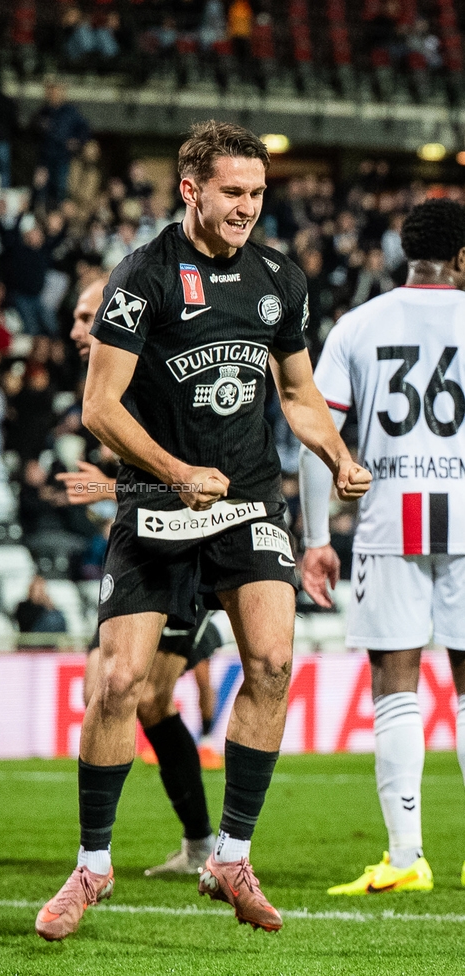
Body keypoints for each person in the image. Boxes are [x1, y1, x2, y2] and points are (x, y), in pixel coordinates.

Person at [35, 120, 371, 941]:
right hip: (158, 503)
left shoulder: (277, 279)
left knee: (273, 659)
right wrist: (177, 473)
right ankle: (92, 867)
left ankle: (230, 855)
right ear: (191, 190)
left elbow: (296, 393)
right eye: (233, 192)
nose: (247, 207)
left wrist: (333, 450)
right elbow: (99, 406)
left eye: (257, 193)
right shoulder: (140, 277)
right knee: (118, 683)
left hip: (250, 499)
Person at [299, 198, 465, 895]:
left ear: (404, 254)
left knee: (395, 685)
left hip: (390, 518)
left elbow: (315, 435)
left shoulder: (358, 326)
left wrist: (315, 539)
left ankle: (404, 857)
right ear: (462, 258)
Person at [59, 278, 222, 875]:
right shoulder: (115, 374)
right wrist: (107, 489)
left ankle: (204, 846)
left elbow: (187, 472)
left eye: (86, 316)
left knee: (145, 695)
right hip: (144, 549)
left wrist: (103, 488)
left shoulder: (156, 364)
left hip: (188, 552)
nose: (78, 330)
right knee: (112, 695)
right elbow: (147, 481)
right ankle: (189, 843)